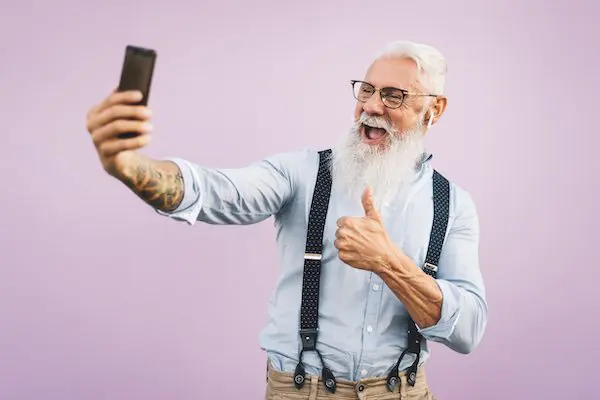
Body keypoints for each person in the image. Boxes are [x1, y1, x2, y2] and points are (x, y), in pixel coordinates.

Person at [86, 40, 488, 400]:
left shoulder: (453, 205)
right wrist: (129, 165)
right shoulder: (300, 173)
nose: (370, 106)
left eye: (394, 95)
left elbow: (468, 330)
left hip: (405, 393)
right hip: (302, 391)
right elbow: (216, 191)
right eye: (365, 90)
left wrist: (388, 262)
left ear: (434, 109)